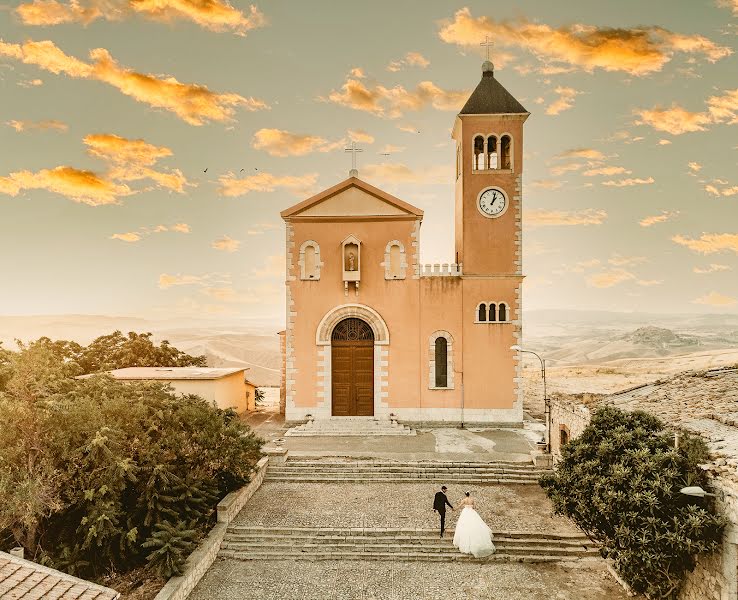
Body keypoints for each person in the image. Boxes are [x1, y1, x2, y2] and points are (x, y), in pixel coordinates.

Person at [452, 491, 495, 558]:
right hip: (472, 512)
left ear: (465, 495)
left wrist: (454, 509)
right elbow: (474, 507)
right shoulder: (472, 500)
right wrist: (471, 507)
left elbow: (460, 506)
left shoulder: (464, 500)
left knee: (464, 526)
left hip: (465, 513)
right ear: (469, 494)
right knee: (475, 525)